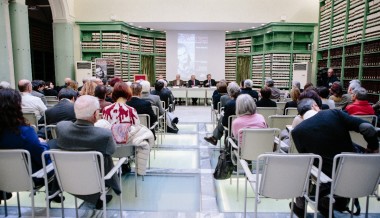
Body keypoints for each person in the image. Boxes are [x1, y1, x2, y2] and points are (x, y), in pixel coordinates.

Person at [291, 98, 379, 217]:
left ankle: (301, 207)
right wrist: (373, 147)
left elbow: (307, 159)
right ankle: (335, 201)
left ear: (301, 116)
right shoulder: (334, 113)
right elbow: (367, 128)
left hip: (327, 180)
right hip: (360, 175)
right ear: (315, 106)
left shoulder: (297, 132)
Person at [55, 95, 119, 209]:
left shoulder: (61, 128)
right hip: (95, 181)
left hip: (66, 180)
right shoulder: (104, 134)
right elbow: (112, 151)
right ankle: (97, 197)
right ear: (95, 114)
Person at [0, 88, 63, 204]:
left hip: (3, 178)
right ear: (16, 106)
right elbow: (41, 156)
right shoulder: (24, 132)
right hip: (30, 177)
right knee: (54, 155)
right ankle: (53, 192)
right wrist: (43, 144)